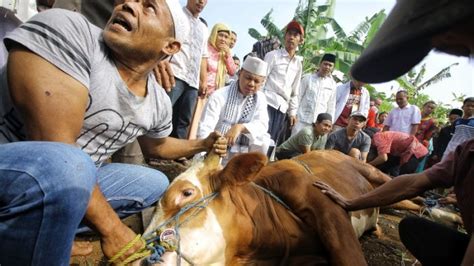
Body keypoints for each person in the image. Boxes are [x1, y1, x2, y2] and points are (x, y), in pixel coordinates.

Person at [0, 1, 227, 265]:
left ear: (170, 46)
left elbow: (157, 147)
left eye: (148, 7)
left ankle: (50, 228)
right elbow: (56, 147)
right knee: (67, 167)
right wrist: (112, 229)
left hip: (69, 175)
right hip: (18, 165)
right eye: (129, 0)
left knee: (153, 183)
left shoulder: (157, 100)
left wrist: (202, 144)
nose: (128, 4)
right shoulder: (69, 31)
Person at [316, 0, 474, 264]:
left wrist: (364, 169)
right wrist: (352, 202)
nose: (355, 123)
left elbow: (386, 161)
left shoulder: (375, 138)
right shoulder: (466, 152)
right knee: (413, 229)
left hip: (412, 151)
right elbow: (412, 183)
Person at [197, 56, 271, 164]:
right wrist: (205, 153)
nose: (251, 84)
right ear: (240, 73)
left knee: (265, 140)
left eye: (256, 81)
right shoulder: (219, 95)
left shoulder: (260, 98)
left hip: (241, 152)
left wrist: (240, 127)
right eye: (248, 78)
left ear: (262, 83)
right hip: (217, 147)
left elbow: (262, 124)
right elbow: (205, 127)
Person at [167, 0, 209, 140]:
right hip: (175, 73)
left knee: (183, 120)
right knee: (165, 114)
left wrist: (203, 80)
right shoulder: (176, 15)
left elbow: (203, 56)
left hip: (193, 82)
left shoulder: (203, 28)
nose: (201, 2)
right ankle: (154, 153)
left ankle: (175, 155)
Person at [263, 20, 304, 145]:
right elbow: (262, 80)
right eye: (289, 34)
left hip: (282, 108)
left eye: (295, 35)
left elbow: (295, 91)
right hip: (267, 102)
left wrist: (292, 112)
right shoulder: (272, 56)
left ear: (300, 40)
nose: (291, 37)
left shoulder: (298, 64)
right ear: (285, 36)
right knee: (260, 138)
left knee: (272, 142)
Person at [292, 53, 337, 136]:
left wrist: (329, 123)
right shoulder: (308, 78)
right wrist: (293, 114)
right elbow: (298, 96)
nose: (327, 67)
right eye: (325, 64)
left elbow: (331, 105)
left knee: (313, 148)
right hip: (301, 120)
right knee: (294, 145)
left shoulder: (332, 84)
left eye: (330, 65)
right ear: (320, 64)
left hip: (319, 124)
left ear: (332, 68)